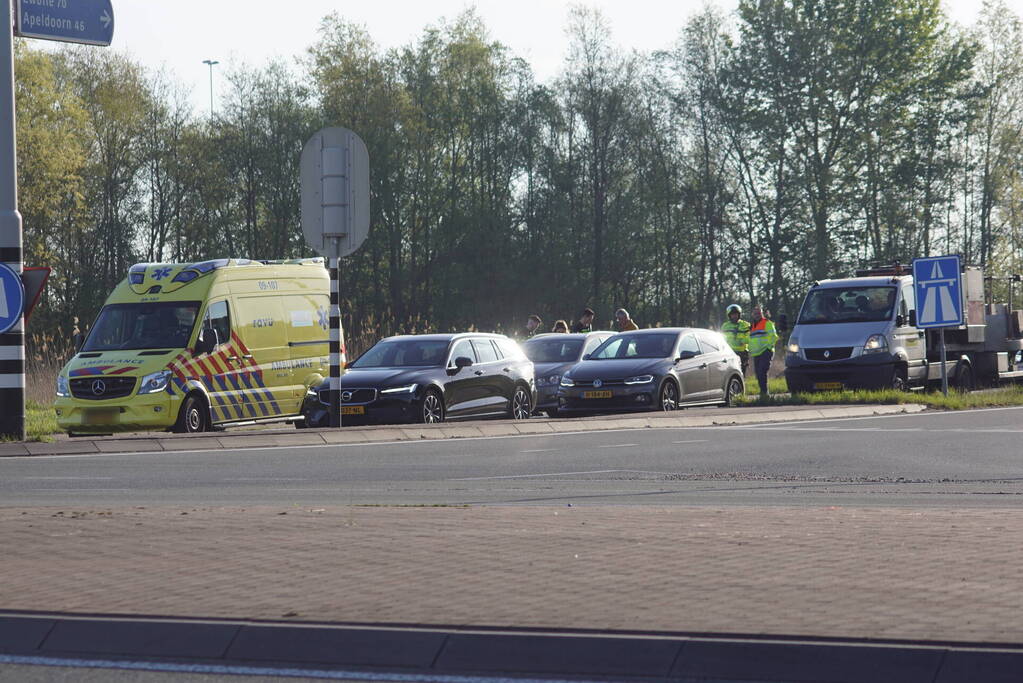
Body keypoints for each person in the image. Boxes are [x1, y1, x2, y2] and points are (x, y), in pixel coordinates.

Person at [749, 304, 779, 398]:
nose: (757, 315)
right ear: (752, 315)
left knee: (762, 371)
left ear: (762, 314)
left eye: (758, 313)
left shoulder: (767, 323)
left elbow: (774, 337)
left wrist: (768, 348)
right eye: (755, 313)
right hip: (756, 353)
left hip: (766, 352)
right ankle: (763, 393)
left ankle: (765, 393)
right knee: (758, 374)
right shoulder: (752, 326)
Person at [721, 304, 750, 376]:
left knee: (742, 373)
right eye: (732, 315)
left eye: (736, 314)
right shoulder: (725, 326)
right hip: (729, 353)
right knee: (729, 372)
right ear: (729, 316)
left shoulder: (745, 325)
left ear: (739, 315)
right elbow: (721, 338)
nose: (734, 316)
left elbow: (750, 336)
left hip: (742, 353)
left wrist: (743, 341)